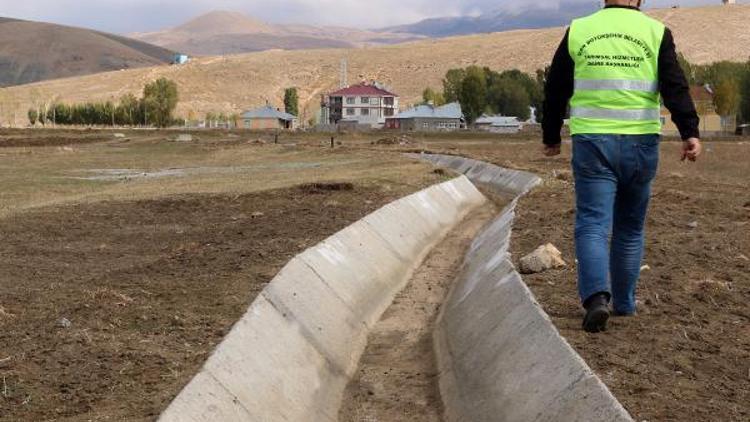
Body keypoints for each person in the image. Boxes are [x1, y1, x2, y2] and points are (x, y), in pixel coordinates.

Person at [541, 0, 702, 333]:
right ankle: (625, 304)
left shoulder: (579, 30)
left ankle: (598, 299)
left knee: (593, 224)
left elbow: (556, 88)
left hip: (592, 143)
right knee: (630, 229)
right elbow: (675, 86)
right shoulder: (657, 33)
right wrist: (690, 131)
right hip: (641, 145)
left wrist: (551, 134)